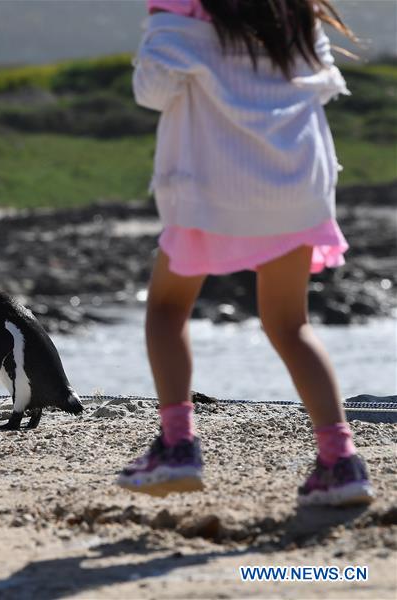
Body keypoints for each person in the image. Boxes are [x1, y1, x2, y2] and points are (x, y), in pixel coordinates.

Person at [116, 0, 375, 506]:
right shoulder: (293, 12)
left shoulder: (184, 9)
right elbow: (323, 81)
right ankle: (340, 462)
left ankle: (176, 445)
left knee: (167, 310)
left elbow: (152, 91)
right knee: (290, 324)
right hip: (295, 184)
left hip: (213, 185)